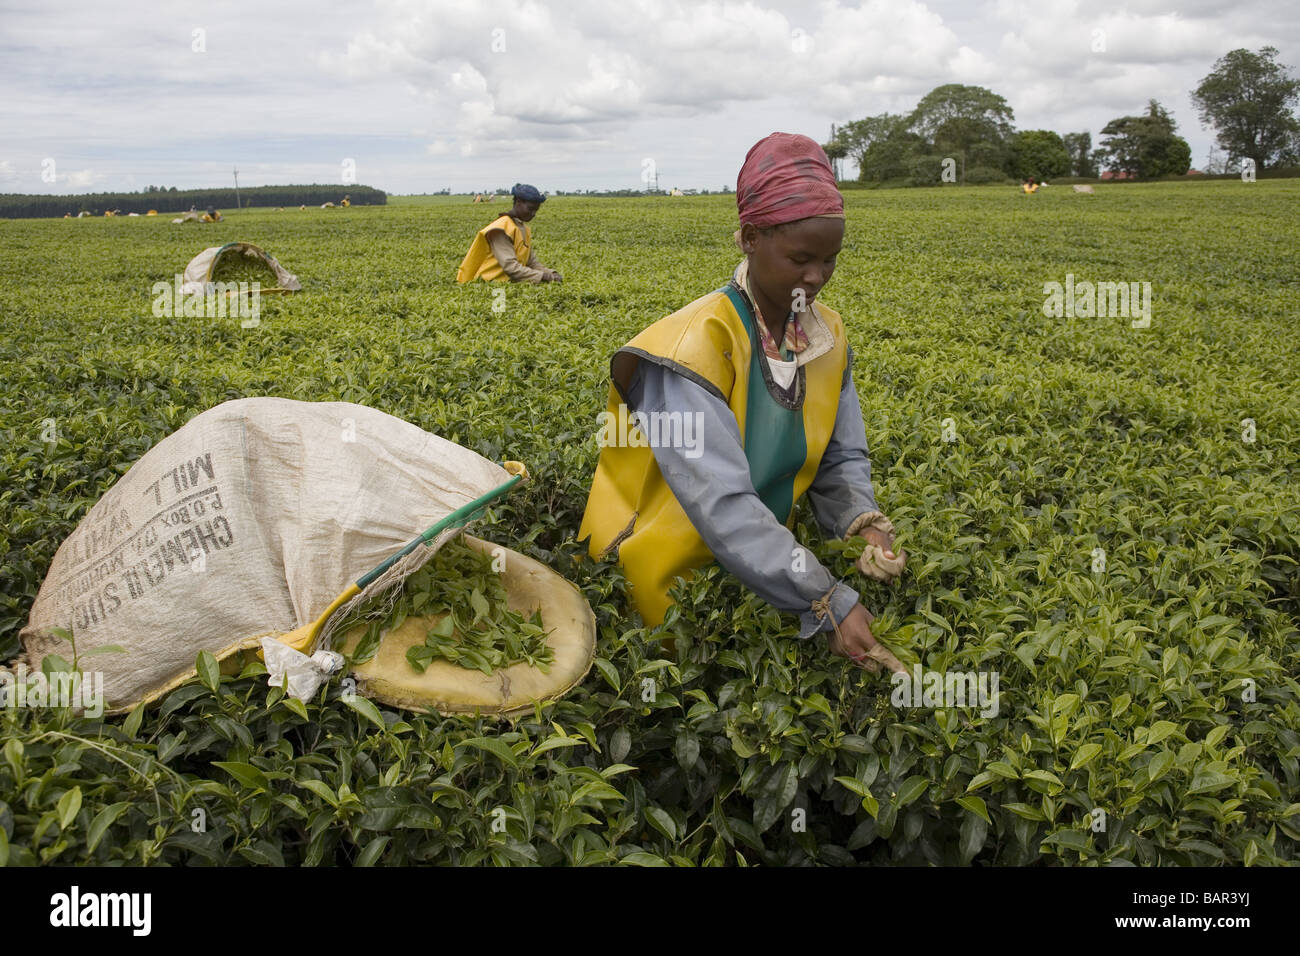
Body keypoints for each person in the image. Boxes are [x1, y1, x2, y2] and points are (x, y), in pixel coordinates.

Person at [578, 132, 906, 672]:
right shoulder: (692, 348)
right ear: (750, 238)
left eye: (830, 260)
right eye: (800, 258)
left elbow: (840, 457)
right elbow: (722, 504)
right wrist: (826, 601)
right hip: (666, 587)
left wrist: (861, 521)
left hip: (770, 571)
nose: (815, 279)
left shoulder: (827, 337)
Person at [456, 183, 561, 284]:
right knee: (499, 303)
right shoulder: (501, 228)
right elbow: (510, 267)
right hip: (490, 286)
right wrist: (544, 277)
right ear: (518, 202)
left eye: (536, 210)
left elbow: (531, 262)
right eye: (530, 209)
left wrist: (551, 273)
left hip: (508, 284)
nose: (533, 214)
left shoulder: (523, 228)